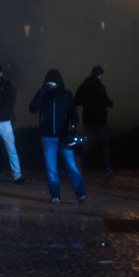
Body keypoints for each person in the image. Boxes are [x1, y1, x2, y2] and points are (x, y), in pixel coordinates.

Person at [29, 69, 86, 204]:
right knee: (51, 168)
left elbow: (74, 114)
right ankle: (55, 196)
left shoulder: (66, 95)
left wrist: (73, 125)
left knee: (71, 165)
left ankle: (81, 194)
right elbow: (32, 108)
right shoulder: (43, 94)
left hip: (63, 136)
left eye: (53, 83)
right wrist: (41, 92)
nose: (51, 86)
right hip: (47, 136)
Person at [74, 66, 114, 176]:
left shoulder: (83, 87)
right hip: (101, 121)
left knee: (89, 145)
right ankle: (108, 169)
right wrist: (110, 103)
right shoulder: (101, 87)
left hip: (88, 121)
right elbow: (106, 101)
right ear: (99, 75)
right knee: (105, 145)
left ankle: (79, 161)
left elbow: (76, 101)